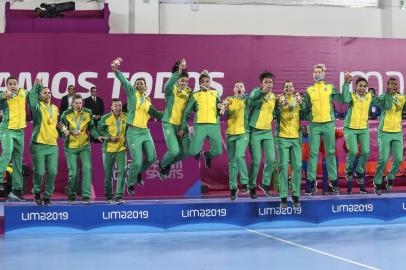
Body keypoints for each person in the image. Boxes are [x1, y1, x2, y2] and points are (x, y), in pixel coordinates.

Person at [111, 57, 163, 196]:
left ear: (146, 87)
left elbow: (155, 113)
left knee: (152, 158)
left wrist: (170, 114)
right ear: (134, 86)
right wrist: (116, 70)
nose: (140, 85)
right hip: (133, 132)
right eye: (138, 83)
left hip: (145, 131)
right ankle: (131, 183)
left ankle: (138, 172)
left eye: (142, 84)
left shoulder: (147, 100)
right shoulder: (132, 93)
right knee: (137, 161)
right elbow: (124, 81)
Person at [303, 64, 343, 195]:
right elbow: (305, 109)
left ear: (324, 73)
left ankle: (334, 182)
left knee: (330, 152)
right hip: (314, 124)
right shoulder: (309, 90)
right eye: (315, 72)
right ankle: (311, 182)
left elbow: (342, 99)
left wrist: (347, 85)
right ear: (312, 74)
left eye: (319, 71)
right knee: (313, 154)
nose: (317, 74)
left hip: (328, 123)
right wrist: (310, 117)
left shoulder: (330, 88)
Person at [60, 94, 103, 204]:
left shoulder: (88, 112)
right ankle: (71, 197)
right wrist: (67, 131)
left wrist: (97, 136)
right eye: (76, 103)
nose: (79, 105)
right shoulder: (66, 114)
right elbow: (62, 127)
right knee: (73, 173)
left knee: (87, 169)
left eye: (80, 103)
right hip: (70, 147)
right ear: (72, 104)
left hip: (84, 145)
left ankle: (86, 196)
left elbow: (91, 127)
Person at [341, 74, 377, 193]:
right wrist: (346, 83)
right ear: (356, 87)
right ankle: (348, 170)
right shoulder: (352, 96)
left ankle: (360, 171)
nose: (362, 88)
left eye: (365, 86)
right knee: (353, 151)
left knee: (366, 152)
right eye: (360, 86)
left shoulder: (369, 96)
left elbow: (380, 102)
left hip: (363, 129)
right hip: (350, 128)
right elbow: (345, 99)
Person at [28, 79, 61, 205]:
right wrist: (37, 85)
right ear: (39, 96)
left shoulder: (55, 108)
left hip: (52, 144)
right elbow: (31, 96)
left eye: (49, 93)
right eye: (45, 93)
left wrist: (62, 131)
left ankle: (47, 196)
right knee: (40, 172)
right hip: (38, 144)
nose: (48, 94)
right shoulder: (36, 107)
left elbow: (54, 124)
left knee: (53, 172)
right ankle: (36, 192)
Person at [158, 59, 192, 180]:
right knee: (174, 151)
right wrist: (178, 72)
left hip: (181, 125)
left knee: (187, 152)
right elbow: (167, 85)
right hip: (169, 124)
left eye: (186, 81)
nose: (184, 83)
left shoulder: (189, 93)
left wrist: (183, 128)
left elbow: (187, 112)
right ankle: (162, 165)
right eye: (182, 80)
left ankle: (167, 164)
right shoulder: (170, 90)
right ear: (177, 80)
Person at [181, 70, 223, 169]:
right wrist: (183, 126)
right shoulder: (195, 95)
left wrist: (220, 107)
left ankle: (207, 155)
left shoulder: (215, 93)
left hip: (214, 125)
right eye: (203, 81)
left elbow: (220, 106)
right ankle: (191, 136)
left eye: (207, 81)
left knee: (218, 151)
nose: (205, 83)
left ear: (210, 83)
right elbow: (187, 112)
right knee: (193, 152)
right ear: (199, 84)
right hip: (200, 125)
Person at [373, 78, 406, 195]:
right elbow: (378, 103)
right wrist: (387, 96)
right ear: (387, 85)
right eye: (391, 84)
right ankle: (377, 182)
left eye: (395, 84)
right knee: (384, 159)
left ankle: (390, 177)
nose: (394, 86)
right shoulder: (383, 96)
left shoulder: (402, 97)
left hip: (397, 132)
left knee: (398, 159)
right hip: (384, 131)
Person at [248, 71, 276, 199]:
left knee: (271, 159)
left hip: (267, 132)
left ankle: (265, 184)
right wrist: (261, 91)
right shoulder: (256, 93)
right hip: (255, 131)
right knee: (256, 161)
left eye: (270, 82)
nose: (268, 84)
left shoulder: (274, 97)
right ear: (261, 84)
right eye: (266, 82)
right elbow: (252, 97)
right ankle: (252, 186)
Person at [274, 81, 303, 208]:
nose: (289, 88)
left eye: (291, 86)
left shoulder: (298, 100)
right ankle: (283, 197)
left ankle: (296, 196)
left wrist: (303, 103)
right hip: (283, 138)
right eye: (286, 87)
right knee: (283, 167)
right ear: (283, 89)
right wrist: (278, 104)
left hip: (296, 138)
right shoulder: (279, 101)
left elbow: (306, 113)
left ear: (293, 88)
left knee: (297, 167)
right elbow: (273, 113)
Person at [220, 81, 250, 201]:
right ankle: (233, 188)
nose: (239, 87)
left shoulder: (247, 100)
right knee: (232, 162)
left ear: (244, 89)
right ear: (233, 89)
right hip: (230, 134)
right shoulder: (229, 100)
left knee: (239, 156)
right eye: (236, 86)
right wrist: (224, 106)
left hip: (243, 133)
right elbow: (223, 111)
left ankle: (244, 183)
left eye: (241, 86)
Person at [0, 76, 28, 201]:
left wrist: (38, 85)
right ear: (7, 86)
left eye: (14, 83)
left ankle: (17, 189)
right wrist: (4, 95)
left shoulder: (22, 93)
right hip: (7, 129)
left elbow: (33, 93)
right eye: (10, 84)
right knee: (7, 153)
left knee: (18, 160)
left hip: (20, 131)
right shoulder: (4, 95)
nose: (12, 85)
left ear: (17, 84)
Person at [98, 99, 127, 204]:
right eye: (116, 106)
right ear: (111, 107)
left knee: (122, 171)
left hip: (121, 148)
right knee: (108, 173)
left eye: (119, 105)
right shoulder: (105, 118)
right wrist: (109, 137)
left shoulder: (126, 117)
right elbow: (100, 130)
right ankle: (109, 196)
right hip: (108, 149)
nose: (118, 108)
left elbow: (130, 130)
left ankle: (119, 195)